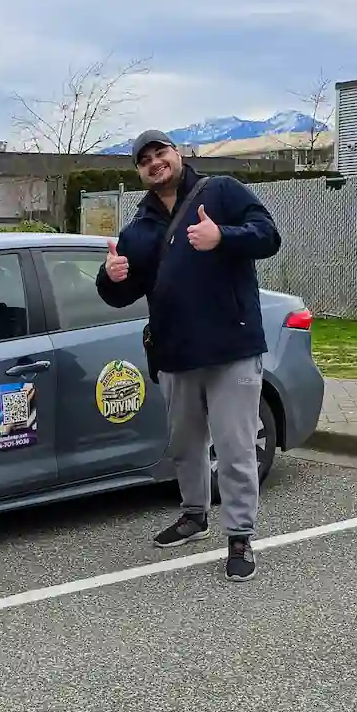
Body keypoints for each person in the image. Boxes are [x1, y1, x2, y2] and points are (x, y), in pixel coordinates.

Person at [95, 129, 282, 582]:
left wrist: (223, 236)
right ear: (139, 171)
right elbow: (119, 295)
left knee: (236, 447)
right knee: (186, 445)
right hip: (175, 353)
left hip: (230, 349)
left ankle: (239, 535)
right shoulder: (138, 228)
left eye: (160, 152)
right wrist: (111, 277)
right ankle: (194, 516)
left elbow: (268, 236)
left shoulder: (221, 192)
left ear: (177, 154)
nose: (154, 162)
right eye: (144, 160)